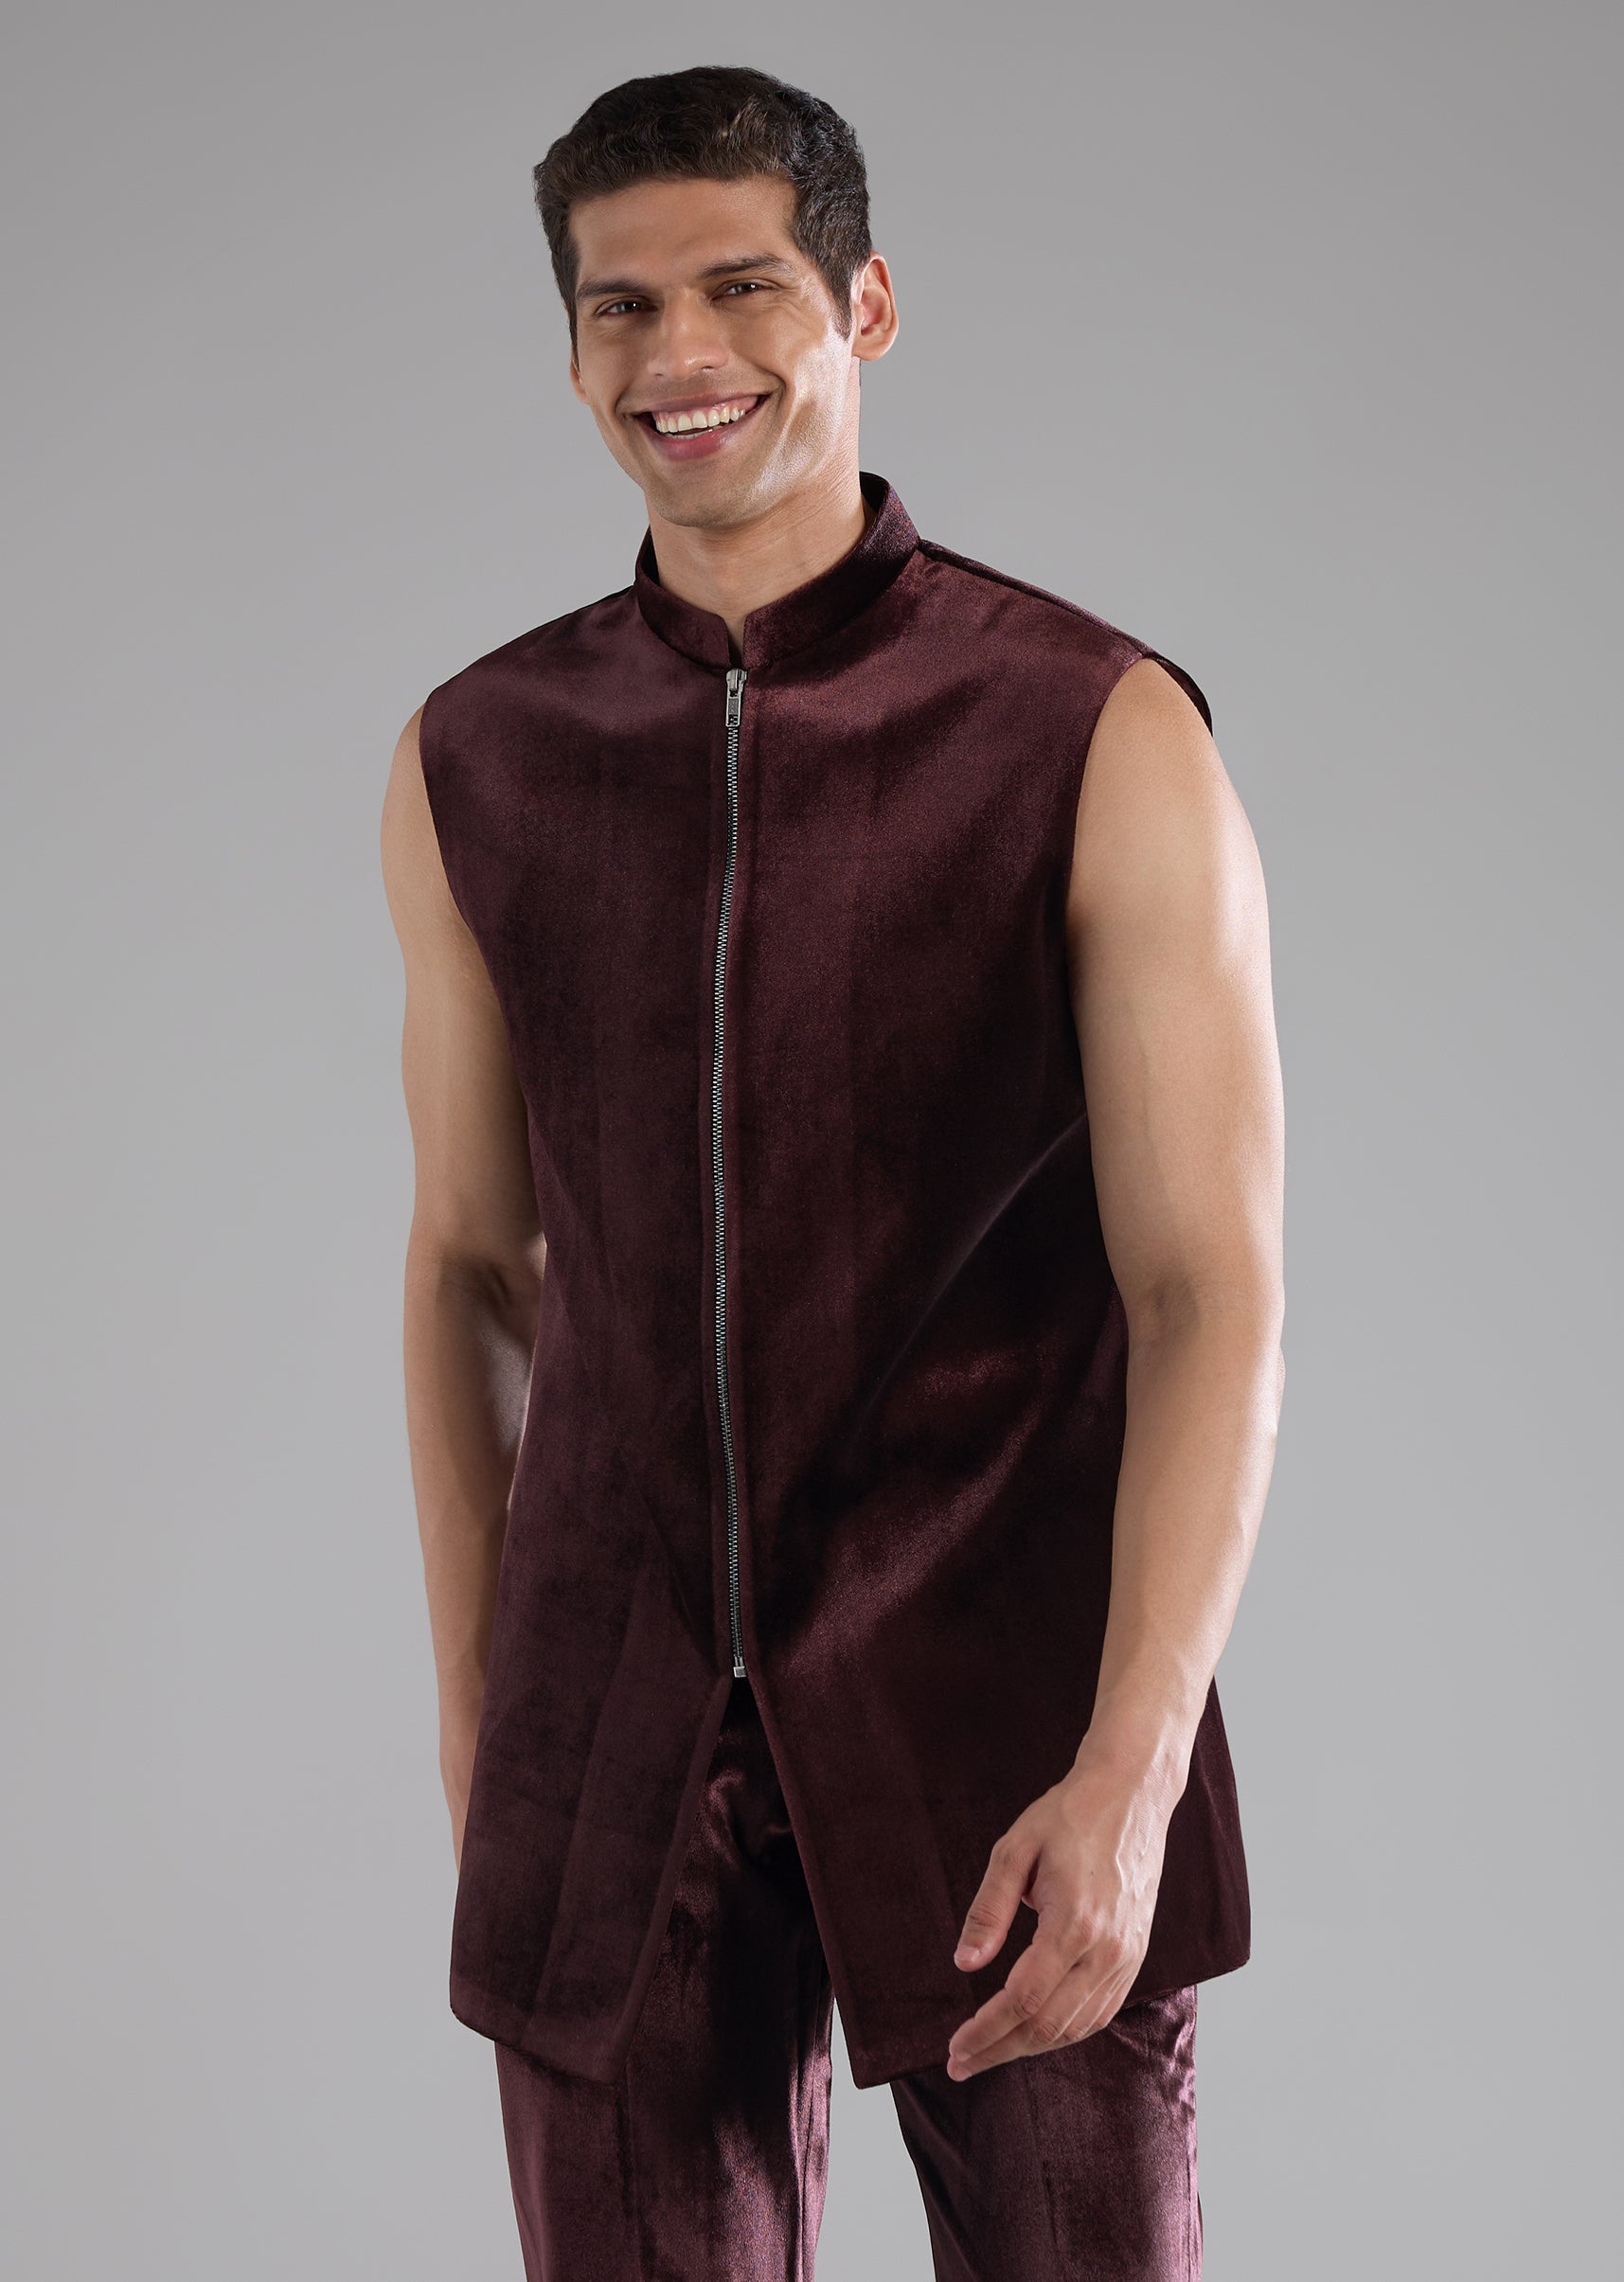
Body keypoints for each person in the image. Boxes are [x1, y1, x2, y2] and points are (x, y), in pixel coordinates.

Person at [381, 62, 1284, 2282]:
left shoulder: (1092, 726)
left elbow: (1209, 1286)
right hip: (608, 1725)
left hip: (1010, 1705)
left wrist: (1136, 1761)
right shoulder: (478, 755)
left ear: (865, 305)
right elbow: (473, 1262)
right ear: (570, 348)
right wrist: (485, 1716)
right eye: (619, 306)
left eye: (741, 287)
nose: (679, 353)